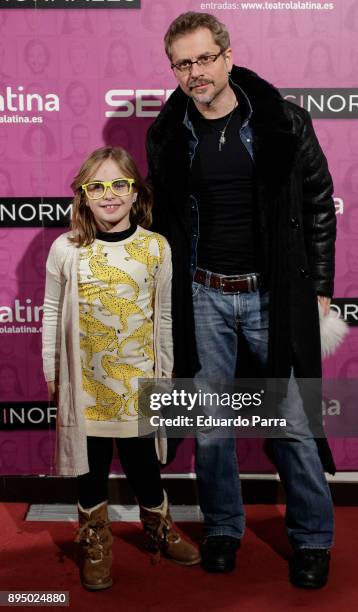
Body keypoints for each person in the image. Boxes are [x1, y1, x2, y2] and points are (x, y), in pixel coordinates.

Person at [146, 12, 336, 588]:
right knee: (210, 425)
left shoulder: (283, 120)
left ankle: (313, 539)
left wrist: (321, 286)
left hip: (274, 294)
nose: (196, 72)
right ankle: (223, 527)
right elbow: (164, 220)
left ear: (227, 56)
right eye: (184, 63)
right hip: (203, 294)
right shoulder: (167, 133)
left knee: (294, 422)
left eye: (205, 58)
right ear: (174, 70)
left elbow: (319, 203)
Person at [42, 146, 200, 591]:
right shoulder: (66, 248)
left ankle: (159, 528)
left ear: (135, 193)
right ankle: (94, 540)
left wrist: (165, 376)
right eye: (97, 186)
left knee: (143, 467)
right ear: (83, 196)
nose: (108, 195)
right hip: (85, 384)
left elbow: (164, 317)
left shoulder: (155, 248)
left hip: (137, 382)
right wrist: (52, 373)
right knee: (90, 469)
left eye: (119, 185)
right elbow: (52, 312)